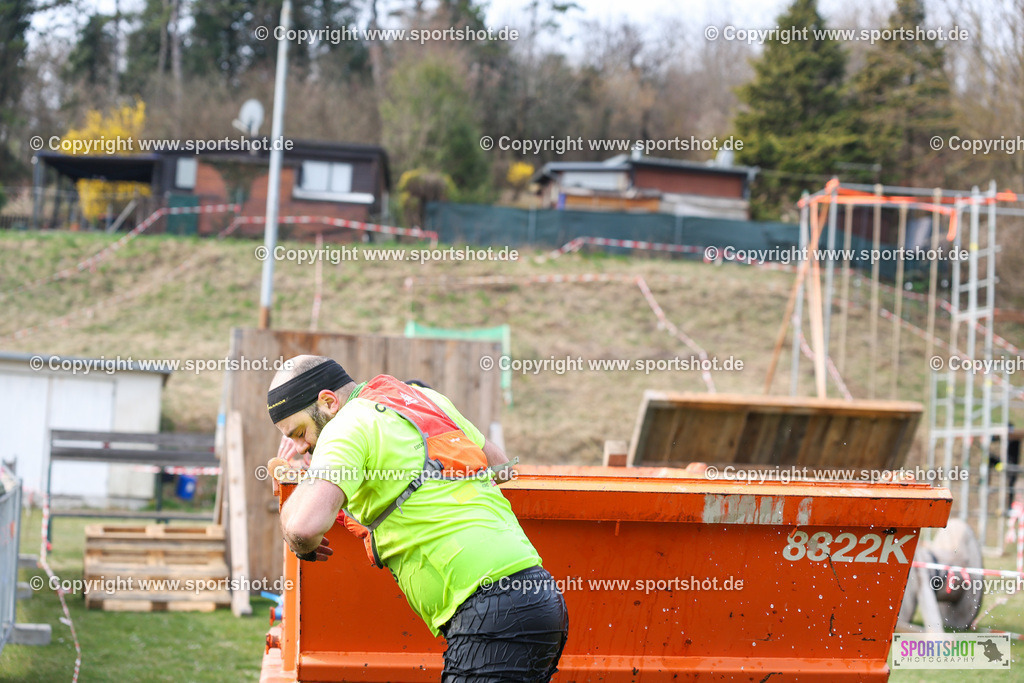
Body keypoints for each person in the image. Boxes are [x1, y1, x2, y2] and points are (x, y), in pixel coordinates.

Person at [267, 354, 568, 682]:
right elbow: (500, 466)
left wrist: (293, 503)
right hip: (538, 595)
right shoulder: (420, 398)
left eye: (299, 432)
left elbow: (302, 527)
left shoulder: (346, 425)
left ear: (328, 402)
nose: (299, 447)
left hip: (490, 611)